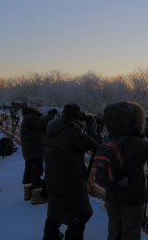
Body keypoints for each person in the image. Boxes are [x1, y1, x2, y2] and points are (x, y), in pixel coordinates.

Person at [103, 101, 148, 240]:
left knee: (114, 231)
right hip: (131, 198)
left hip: (111, 194)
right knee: (130, 234)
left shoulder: (107, 139)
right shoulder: (134, 143)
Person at [43, 103, 98, 240]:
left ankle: (50, 237)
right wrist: (91, 125)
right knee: (78, 216)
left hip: (53, 176)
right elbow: (93, 143)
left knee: (55, 210)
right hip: (71, 179)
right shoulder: (72, 132)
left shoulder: (53, 126)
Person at [20, 96, 48, 204]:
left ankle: (28, 193)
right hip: (35, 150)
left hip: (29, 150)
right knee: (37, 172)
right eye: (39, 105)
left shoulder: (27, 116)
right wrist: (48, 117)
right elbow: (42, 126)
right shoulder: (32, 117)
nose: (40, 108)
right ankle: (37, 197)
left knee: (29, 171)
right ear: (33, 106)